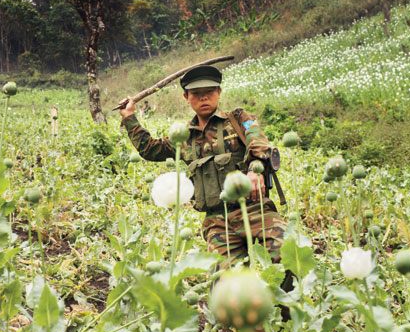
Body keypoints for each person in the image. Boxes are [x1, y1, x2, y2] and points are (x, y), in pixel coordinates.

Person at [118, 64, 287, 265]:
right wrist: (129, 117)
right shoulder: (184, 136)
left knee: (287, 254)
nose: (203, 98)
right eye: (196, 94)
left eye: (208, 92)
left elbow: (258, 143)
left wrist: (255, 169)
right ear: (186, 97)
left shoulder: (238, 119)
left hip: (254, 210)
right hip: (217, 221)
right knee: (225, 283)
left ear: (219, 92)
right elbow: (150, 149)